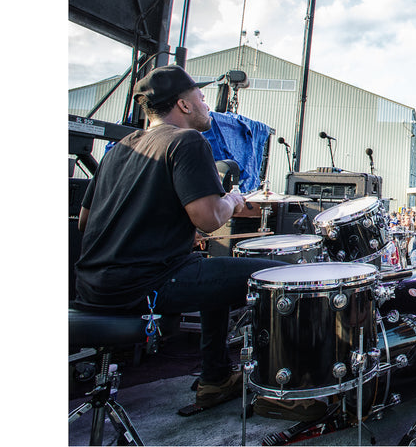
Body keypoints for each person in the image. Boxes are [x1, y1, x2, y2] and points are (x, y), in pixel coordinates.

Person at [74, 65, 284, 408]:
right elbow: (209, 218)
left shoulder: (120, 149)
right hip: (146, 283)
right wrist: (232, 199)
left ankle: (215, 378)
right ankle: (289, 383)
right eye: (201, 97)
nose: (205, 104)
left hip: (92, 285)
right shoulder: (187, 141)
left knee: (212, 267)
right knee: (277, 276)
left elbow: (85, 222)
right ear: (183, 105)